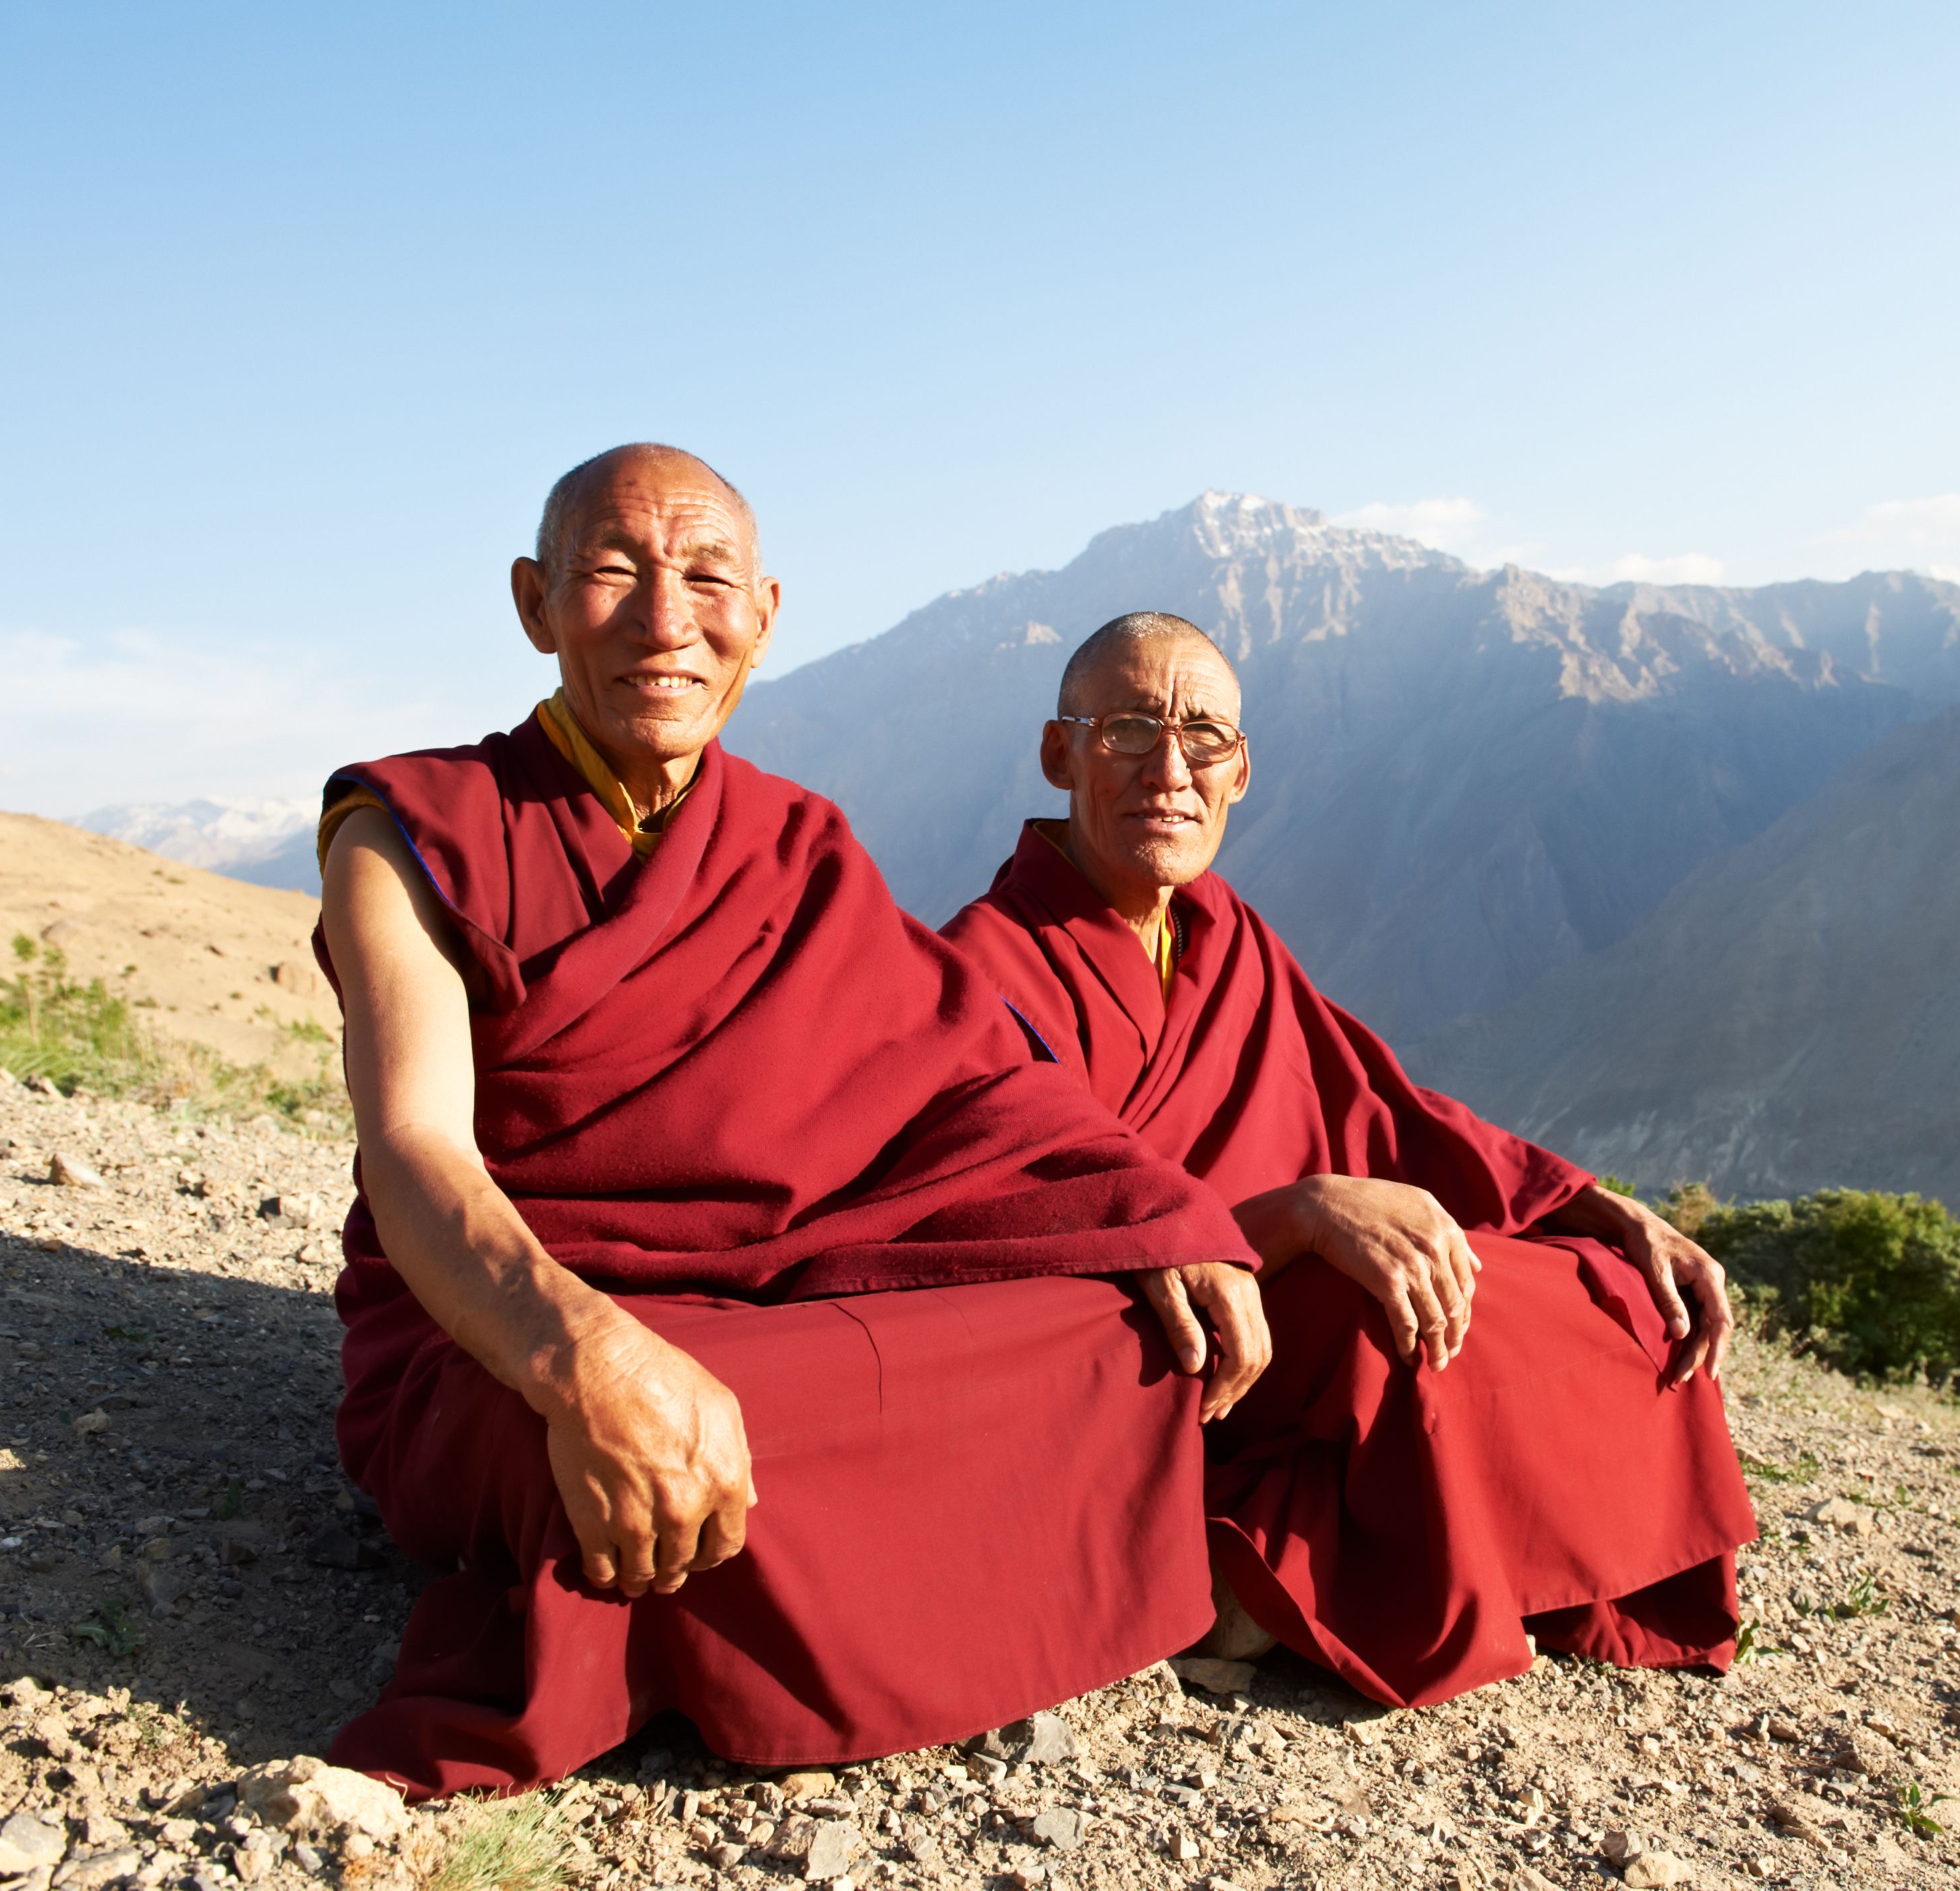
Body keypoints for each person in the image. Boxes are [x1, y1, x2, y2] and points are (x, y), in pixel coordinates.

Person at [313, 451, 1270, 1797]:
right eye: (611, 573)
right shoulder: (413, 829)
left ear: (762, 615)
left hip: (767, 1308)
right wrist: (581, 1353)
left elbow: (973, 1086)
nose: (664, 620)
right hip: (503, 1322)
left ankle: (789, 1573)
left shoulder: (799, 848)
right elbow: (417, 1151)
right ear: (536, 603)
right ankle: (844, 1595)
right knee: (586, 1440)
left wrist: (1152, 1217)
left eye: (707, 580)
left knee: (1105, 1329)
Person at [942, 612, 1758, 1707]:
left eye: (1204, 739)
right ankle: (1262, 1564)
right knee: (1382, 1314)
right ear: (1060, 753)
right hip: (1158, 1356)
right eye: (1129, 729)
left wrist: (1595, 1208)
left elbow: (1386, 1106)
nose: (1168, 771)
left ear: (1241, 772)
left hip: (1279, 1314)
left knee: (1609, 1295)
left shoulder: (1227, 935)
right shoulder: (982, 969)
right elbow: (1022, 1220)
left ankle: (1293, 1566)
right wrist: (1290, 1216)